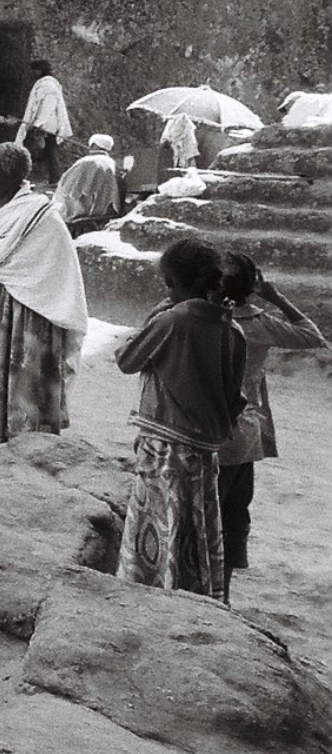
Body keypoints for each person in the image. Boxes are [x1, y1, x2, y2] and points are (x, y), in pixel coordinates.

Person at [114, 239, 247, 600]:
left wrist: (156, 314)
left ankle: (153, 592)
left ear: (179, 283)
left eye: (169, 284)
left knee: (159, 522)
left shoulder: (172, 321)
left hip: (164, 445)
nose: (167, 291)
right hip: (204, 451)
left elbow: (127, 359)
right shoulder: (232, 330)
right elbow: (236, 397)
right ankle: (197, 592)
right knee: (195, 526)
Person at [0, 142, 91, 441]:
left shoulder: (42, 217)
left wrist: (36, 291)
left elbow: (58, 269)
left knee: (25, 373)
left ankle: (27, 437)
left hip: (34, 311)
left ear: (12, 178)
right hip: (1, 304)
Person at [214, 253, 325, 599]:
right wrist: (276, 297)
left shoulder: (203, 319)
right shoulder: (260, 324)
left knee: (206, 514)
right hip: (245, 434)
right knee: (233, 515)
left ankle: (203, 588)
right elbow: (312, 336)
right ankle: (224, 594)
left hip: (207, 432)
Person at [1, 57, 73, 183]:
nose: (32, 73)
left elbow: (48, 107)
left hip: (46, 127)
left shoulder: (48, 86)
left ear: (40, 71)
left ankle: (51, 178)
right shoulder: (45, 84)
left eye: (34, 70)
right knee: (48, 153)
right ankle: (54, 178)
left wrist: (39, 124)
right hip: (44, 125)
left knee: (39, 151)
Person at [51, 132, 122, 230]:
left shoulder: (85, 162)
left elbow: (65, 187)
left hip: (84, 215)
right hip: (108, 213)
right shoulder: (113, 164)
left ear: (93, 145)